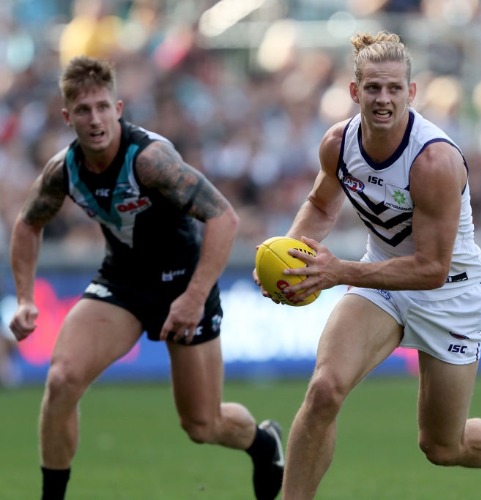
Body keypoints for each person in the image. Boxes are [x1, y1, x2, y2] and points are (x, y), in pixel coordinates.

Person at [253, 31, 481, 500]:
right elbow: (321, 207)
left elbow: (431, 269)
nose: (383, 99)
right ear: (354, 91)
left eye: (394, 88)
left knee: (442, 446)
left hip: (449, 294)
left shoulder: (434, 161)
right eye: (374, 88)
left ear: (411, 92)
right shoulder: (338, 143)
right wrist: (292, 261)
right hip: (379, 280)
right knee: (324, 390)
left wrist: (337, 272)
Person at [8, 55, 284, 500]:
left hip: (184, 281)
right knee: (61, 381)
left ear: (118, 108)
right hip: (123, 281)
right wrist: (24, 298)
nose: (94, 119)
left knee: (202, 424)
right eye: (83, 110)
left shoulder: (151, 161)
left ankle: (262, 442)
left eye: (102, 107)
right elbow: (26, 224)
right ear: (67, 117)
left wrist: (194, 297)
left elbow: (223, 218)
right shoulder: (65, 170)